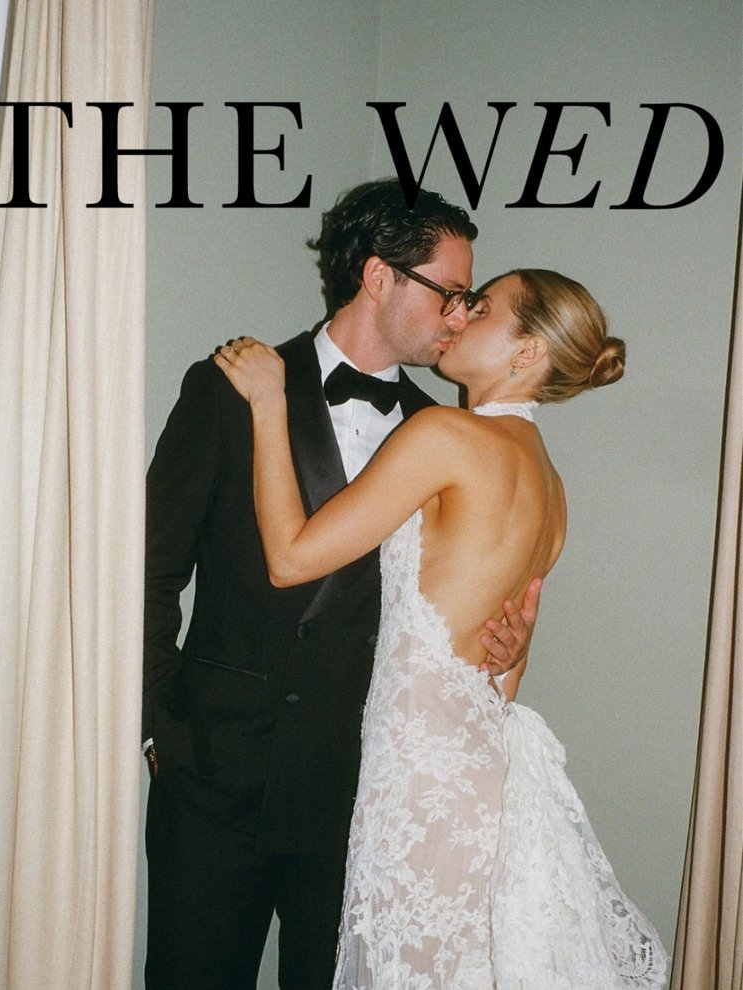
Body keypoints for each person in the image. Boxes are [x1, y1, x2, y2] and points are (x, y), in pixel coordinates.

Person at [215, 268, 668, 989]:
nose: (458, 316)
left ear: (526, 353)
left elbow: (291, 558)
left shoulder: (444, 434)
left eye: (483, 308)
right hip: (481, 770)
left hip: (419, 772)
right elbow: (506, 666)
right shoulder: (550, 484)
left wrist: (270, 403)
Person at [143, 180, 541, 990]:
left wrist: (505, 638)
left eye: (470, 301)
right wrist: (164, 728)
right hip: (216, 775)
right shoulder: (232, 386)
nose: (459, 316)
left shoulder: (446, 432)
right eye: (450, 293)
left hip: (360, 791)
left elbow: (454, 595)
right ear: (378, 277)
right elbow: (149, 570)